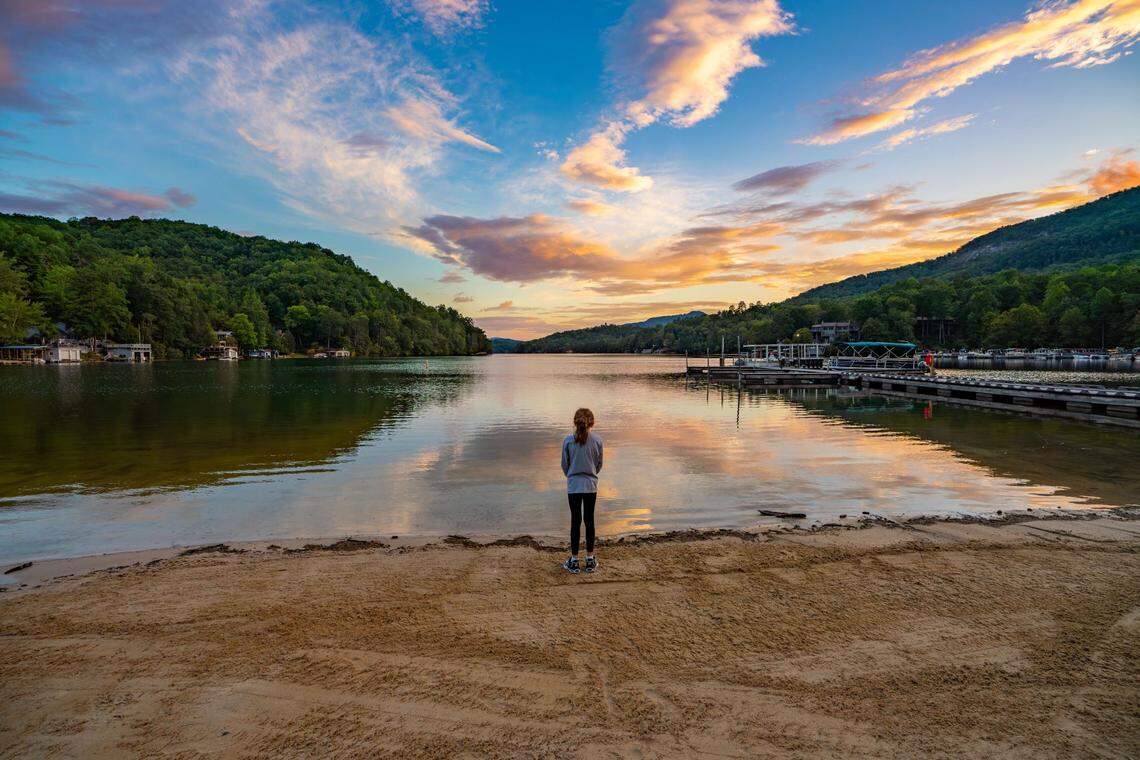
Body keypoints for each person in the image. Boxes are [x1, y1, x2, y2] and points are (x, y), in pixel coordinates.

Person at [560, 407, 603, 574]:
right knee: (590, 521)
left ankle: (574, 560)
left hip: (574, 486)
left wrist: (572, 476)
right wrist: (590, 474)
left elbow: (565, 464)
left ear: (574, 422)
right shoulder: (598, 441)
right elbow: (599, 465)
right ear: (592, 422)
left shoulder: (568, 441)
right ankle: (590, 559)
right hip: (590, 486)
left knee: (575, 522)